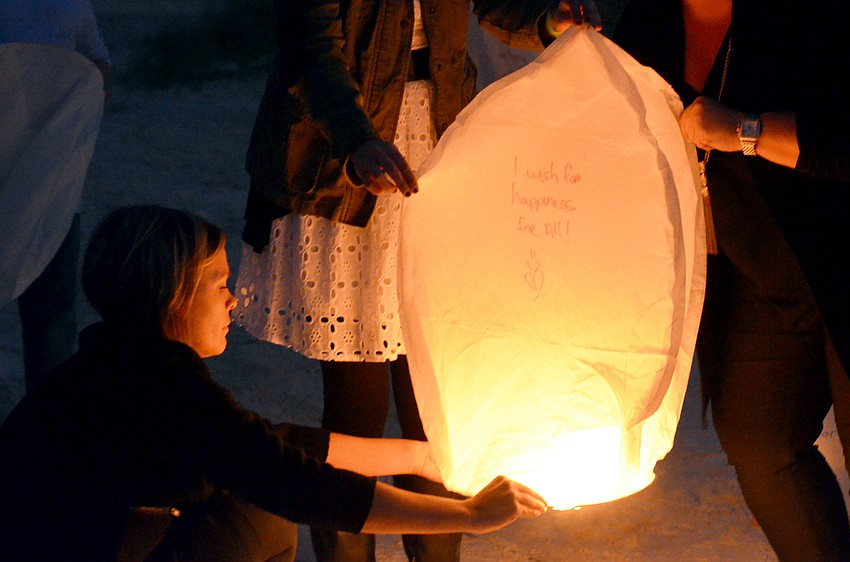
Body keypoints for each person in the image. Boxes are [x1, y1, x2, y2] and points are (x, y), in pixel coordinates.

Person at [236, 1, 601, 560]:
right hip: (349, 151)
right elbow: (312, 47)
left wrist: (550, 22)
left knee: (435, 401)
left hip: (436, 144)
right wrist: (357, 141)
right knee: (357, 409)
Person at [0, 204, 548, 562]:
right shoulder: (163, 387)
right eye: (219, 285)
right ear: (173, 297)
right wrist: (472, 517)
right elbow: (295, 481)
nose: (233, 299)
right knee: (262, 515)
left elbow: (268, 441)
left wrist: (419, 457)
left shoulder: (118, 362)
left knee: (249, 496)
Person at [614, 1, 850, 559]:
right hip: (760, 271)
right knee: (759, 438)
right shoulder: (649, 21)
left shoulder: (809, 15)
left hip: (839, 255)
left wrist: (745, 130)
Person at [0, 0, 111, 392]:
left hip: (54, 188)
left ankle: (47, 425)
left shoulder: (69, 4)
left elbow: (97, 71)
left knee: (52, 314)